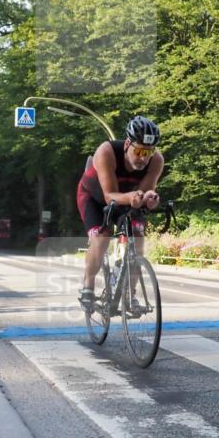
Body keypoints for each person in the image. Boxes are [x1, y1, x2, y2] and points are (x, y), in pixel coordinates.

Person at [76, 116, 164, 309]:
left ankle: (129, 295)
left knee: (137, 240)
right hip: (95, 198)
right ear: (127, 144)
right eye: (139, 151)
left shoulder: (156, 160)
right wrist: (134, 197)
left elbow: (142, 193)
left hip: (125, 197)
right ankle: (88, 286)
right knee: (102, 238)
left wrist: (149, 199)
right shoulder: (106, 151)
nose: (144, 158)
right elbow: (109, 196)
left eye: (148, 152)